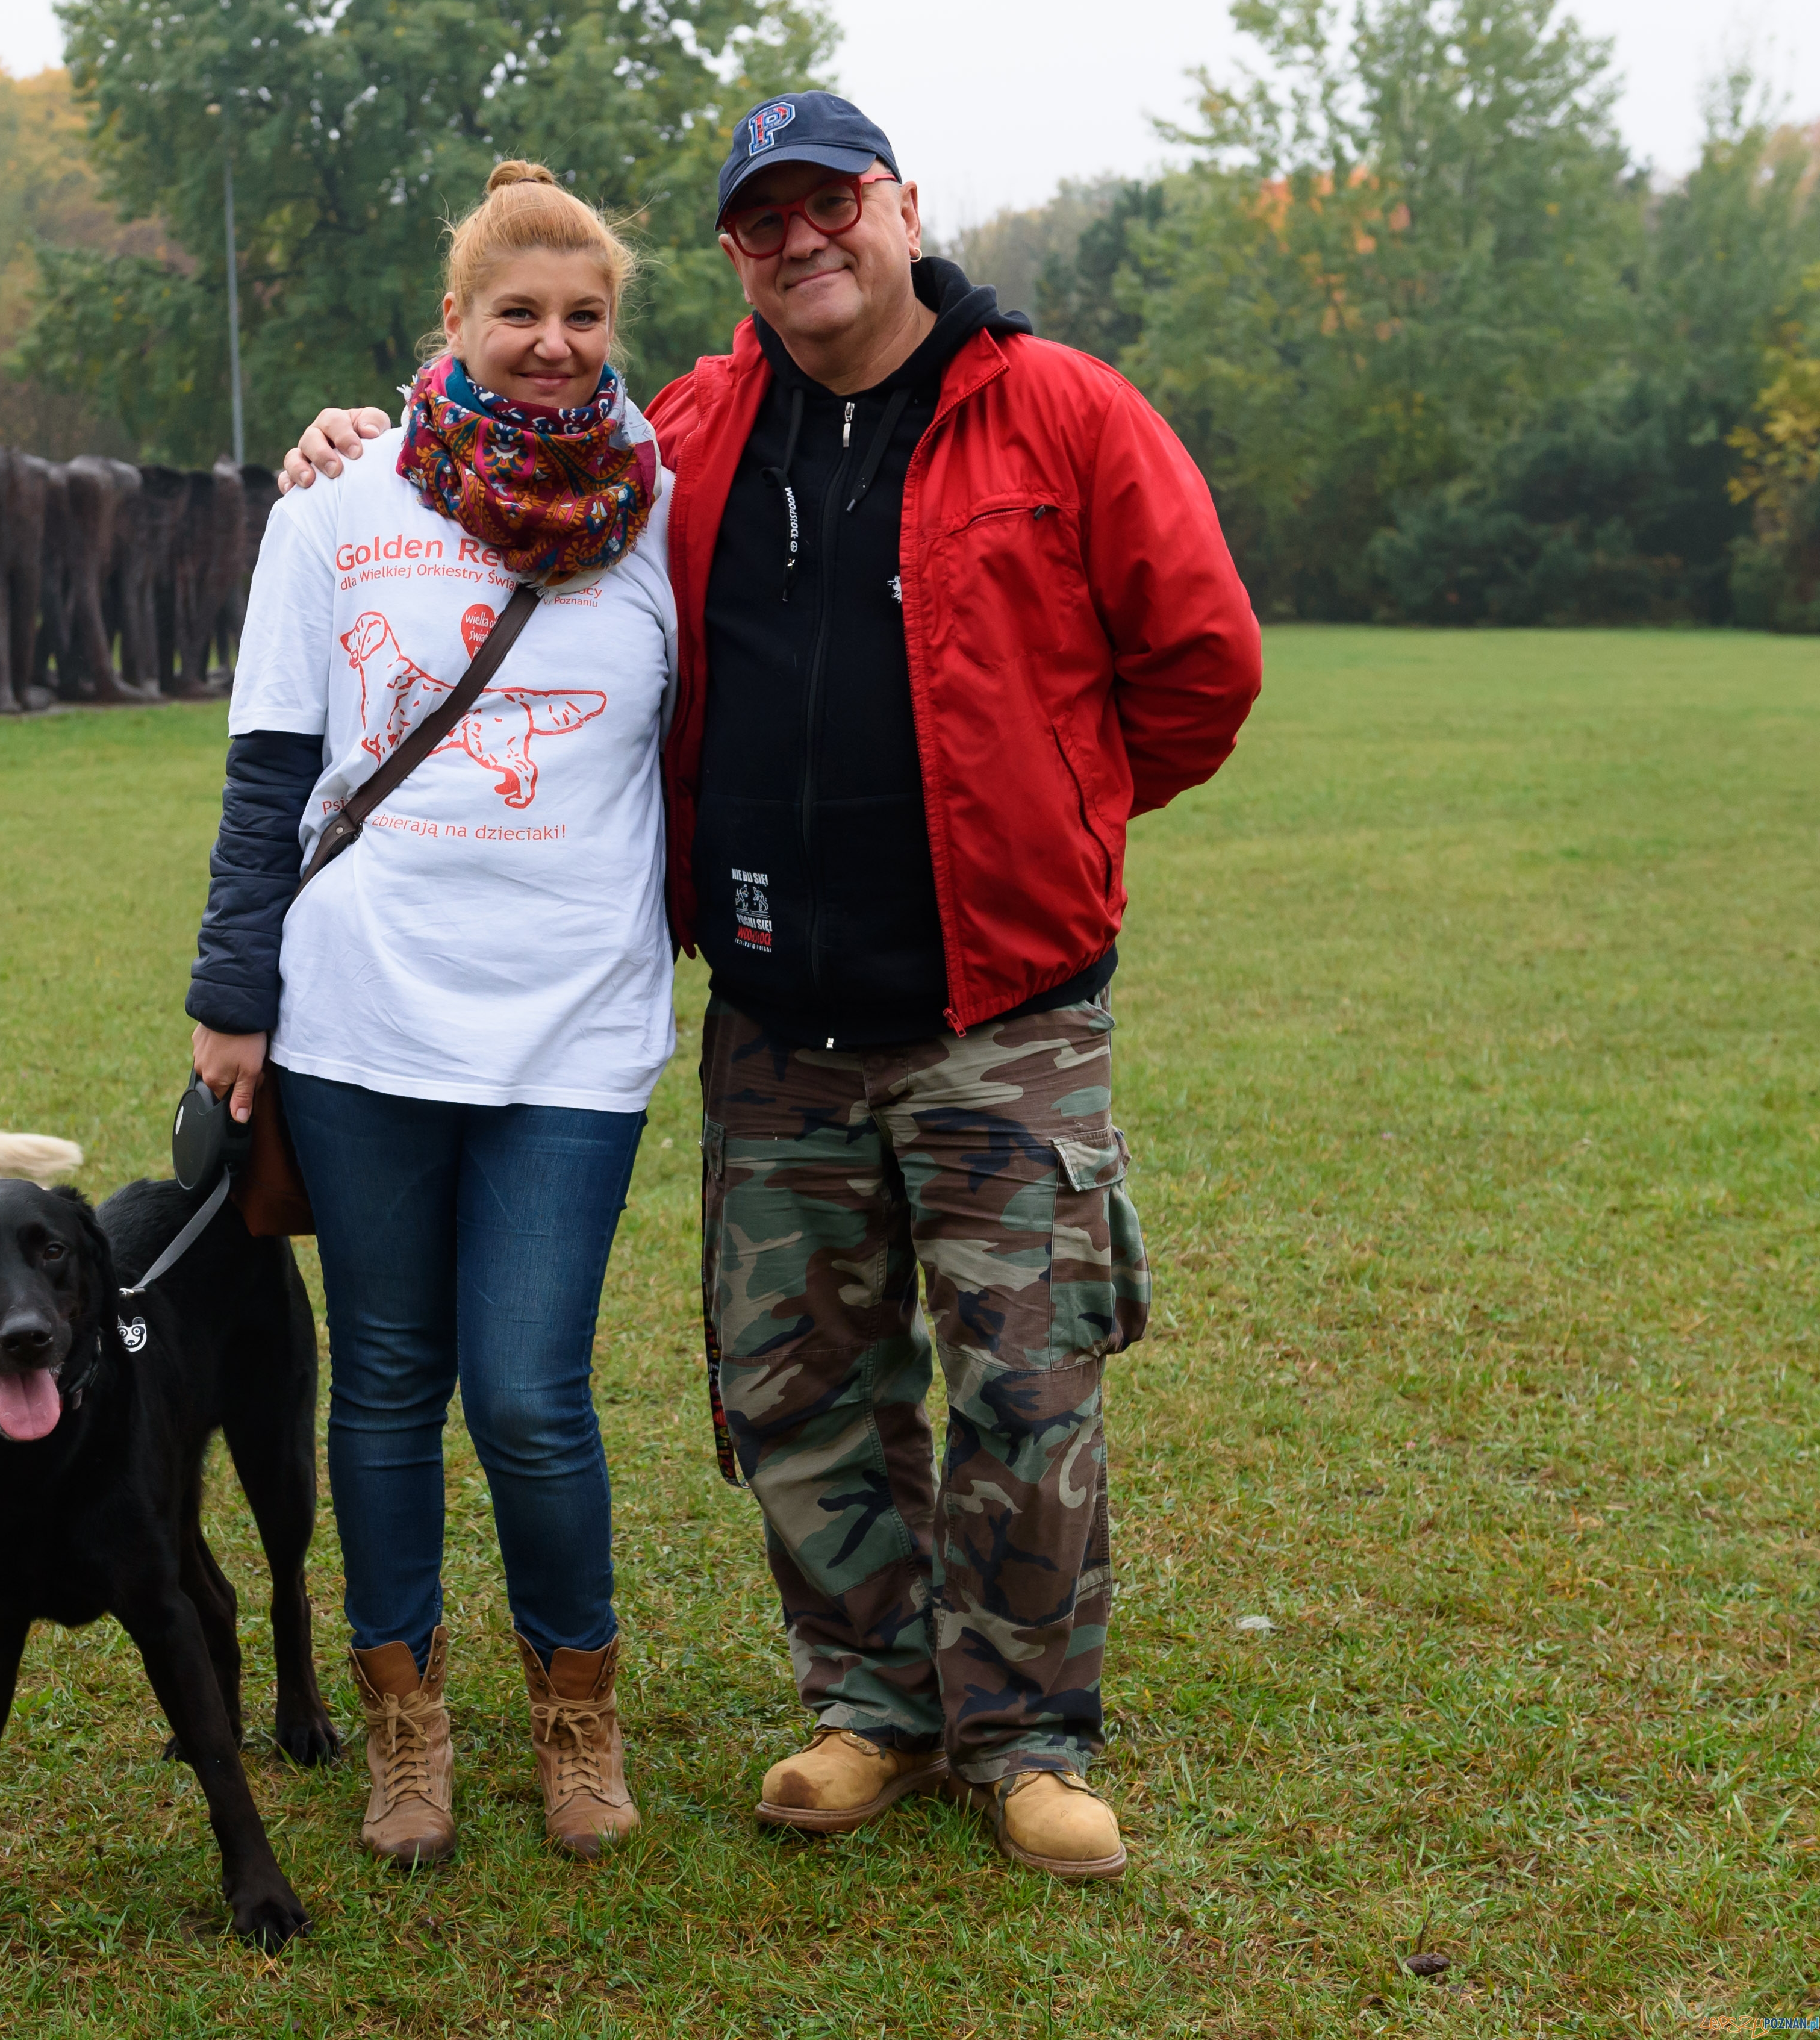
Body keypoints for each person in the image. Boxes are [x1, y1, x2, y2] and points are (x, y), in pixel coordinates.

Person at [278, 92, 1261, 1880]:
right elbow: (516, 466)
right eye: (763, 221)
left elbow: (1203, 660)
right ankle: (872, 1709)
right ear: (736, 253)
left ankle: (1028, 1738)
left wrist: (1061, 809)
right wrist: (357, 434)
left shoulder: (1061, 410)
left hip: (1003, 1017)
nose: (803, 239)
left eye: (834, 205)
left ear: (900, 206)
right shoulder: (691, 433)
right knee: (803, 1386)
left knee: (1025, 1387)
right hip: (779, 1024)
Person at [187, 160, 679, 1866]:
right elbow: (269, 773)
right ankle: (406, 1723)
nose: (551, 345)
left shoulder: (667, 506)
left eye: (584, 317)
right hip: (362, 1020)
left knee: (532, 1390)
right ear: (453, 329)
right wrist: (228, 993)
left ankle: (576, 1709)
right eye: (517, 315)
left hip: (577, 1026)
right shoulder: (338, 504)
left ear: (616, 330)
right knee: (386, 1378)